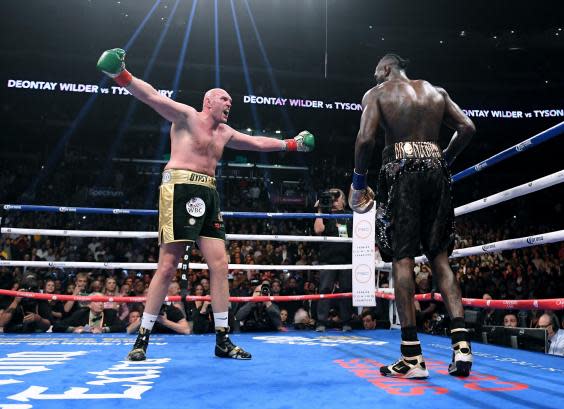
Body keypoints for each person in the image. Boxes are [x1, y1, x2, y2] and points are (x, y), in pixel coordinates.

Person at [96, 48, 314, 361]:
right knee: (168, 265)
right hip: (180, 186)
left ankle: (223, 339)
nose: (229, 104)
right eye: (224, 99)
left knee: (220, 265)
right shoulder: (185, 116)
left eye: (231, 101)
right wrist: (121, 75)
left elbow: (257, 143)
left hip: (208, 192)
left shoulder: (224, 132)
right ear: (208, 102)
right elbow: (152, 97)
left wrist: (292, 144)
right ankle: (142, 338)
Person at [349, 53, 476, 378]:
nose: (374, 75)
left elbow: (365, 140)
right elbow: (467, 127)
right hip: (436, 171)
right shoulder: (437, 92)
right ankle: (462, 348)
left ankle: (412, 357)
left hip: (401, 171)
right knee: (440, 258)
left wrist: (358, 184)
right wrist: (444, 158)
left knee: (402, 259)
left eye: (376, 69)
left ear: (388, 68)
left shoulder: (377, 94)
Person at [313, 188, 353, 332]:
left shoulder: (350, 215)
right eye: (331, 198)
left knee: (346, 291)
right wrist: (319, 211)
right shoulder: (325, 214)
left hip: (347, 258)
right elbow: (318, 230)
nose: (334, 201)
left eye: (337, 198)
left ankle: (346, 322)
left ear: (343, 201)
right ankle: (321, 322)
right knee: (324, 289)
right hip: (328, 259)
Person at [53, 293, 126, 333]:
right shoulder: (81, 313)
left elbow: (122, 326)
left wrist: (104, 329)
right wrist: (74, 329)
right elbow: (56, 326)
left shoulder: (110, 313)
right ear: (89, 304)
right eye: (97, 301)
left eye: (102, 301)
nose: (101, 304)